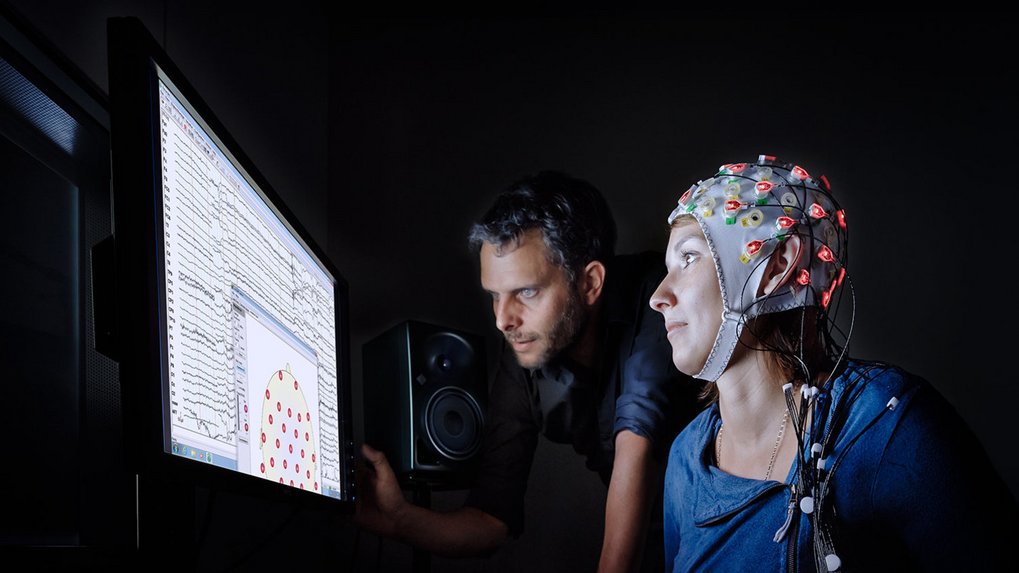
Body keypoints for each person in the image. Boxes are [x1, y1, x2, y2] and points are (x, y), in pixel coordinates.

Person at [649, 155, 1019, 572]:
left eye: (689, 258)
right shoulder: (685, 460)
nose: (658, 296)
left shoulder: (884, 425)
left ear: (776, 266)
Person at [355, 171, 702, 572]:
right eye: (494, 296)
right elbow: (491, 520)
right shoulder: (526, 350)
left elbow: (635, 440)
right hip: (653, 552)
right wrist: (399, 518)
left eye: (526, 292)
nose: (503, 320)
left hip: (732, 534)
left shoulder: (655, 296)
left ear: (590, 283)